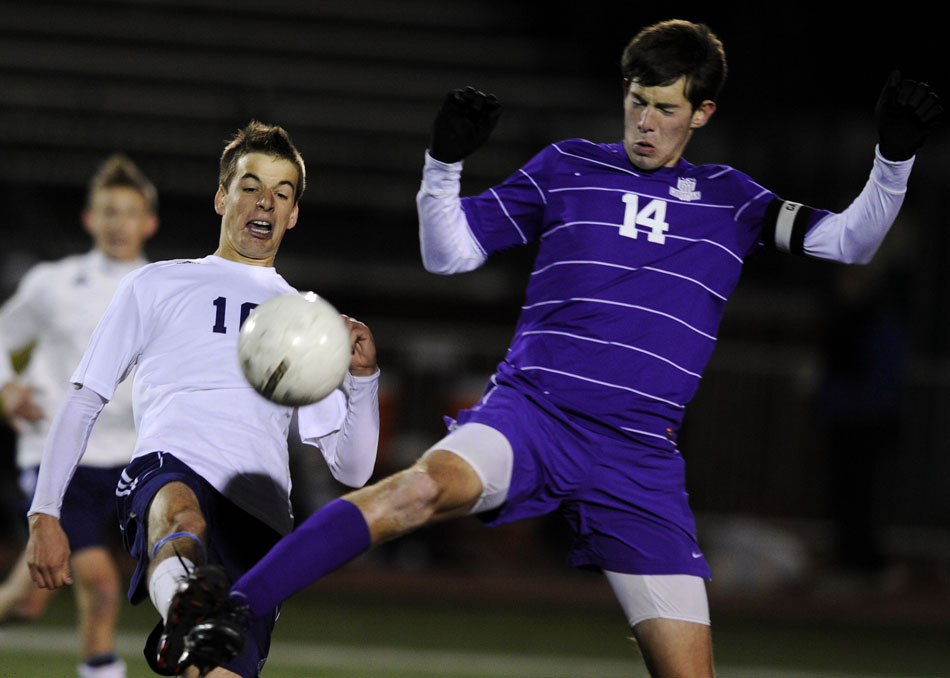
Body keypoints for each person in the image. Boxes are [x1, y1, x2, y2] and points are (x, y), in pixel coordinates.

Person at [188, 20, 942, 678]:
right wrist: (442, 164)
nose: (646, 122)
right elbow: (448, 254)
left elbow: (849, 242)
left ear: (703, 112)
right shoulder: (568, 167)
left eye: (668, 108)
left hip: (639, 458)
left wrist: (893, 160)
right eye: (637, 101)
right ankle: (234, 608)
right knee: (416, 490)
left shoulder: (733, 199)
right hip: (534, 417)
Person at [24, 121, 381, 678]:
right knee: (180, 512)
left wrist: (364, 379)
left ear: (292, 215)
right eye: (250, 186)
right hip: (169, 467)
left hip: (259, 513)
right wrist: (45, 512)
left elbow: (353, 469)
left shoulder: (310, 324)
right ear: (222, 197)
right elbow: (84, 399)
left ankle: (186, 623)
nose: (265, 201)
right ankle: (186, 610)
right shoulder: (157, 285)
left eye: (282, 194)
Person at [0, 154, 159, 678]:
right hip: (61, 461)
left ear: (149, 223)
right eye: (107, 211)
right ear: (90, 219)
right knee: (104, 585)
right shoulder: (53, 282)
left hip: (137, 460)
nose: (118, 223)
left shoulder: (166, 289)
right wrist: (5, 388)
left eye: (129, 212)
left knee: (24, 602)